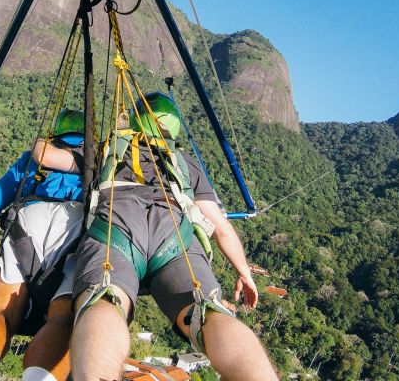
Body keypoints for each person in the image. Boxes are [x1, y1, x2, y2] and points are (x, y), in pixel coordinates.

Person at [69, 92, 278, 381]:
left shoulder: (105, 150)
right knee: (207, 313)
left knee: (105, 299)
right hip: (173, 233)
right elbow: (220, 226)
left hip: (117, 224)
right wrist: (244, 272)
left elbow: (44, 156)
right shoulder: (184, 163)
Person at [0, 109, 87, 381]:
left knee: (1, 307)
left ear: (58, 131)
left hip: (29, 223)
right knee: (62, 317)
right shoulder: (99, 162)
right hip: (76, 227)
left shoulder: (32, 160)